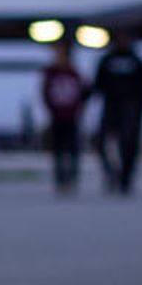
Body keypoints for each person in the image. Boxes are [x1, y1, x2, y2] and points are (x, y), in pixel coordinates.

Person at [93, 43, 142, 195]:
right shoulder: (107, 60)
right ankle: (111, 173)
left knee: (128, 143)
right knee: (101, 141)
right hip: (111, 107)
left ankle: (125, 177)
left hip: (132, 108)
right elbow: (98, 83)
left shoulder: (137, 62)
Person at [39, 44, 87, 194]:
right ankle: (60, 179)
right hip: (57, 116)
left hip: (72, 117)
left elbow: (83, 93)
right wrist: (51, 109)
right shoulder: (51, 74)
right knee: (58, 150)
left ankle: (72, 178)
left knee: (72, 149)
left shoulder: (75, 73)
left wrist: (79, 109)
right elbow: (45, 93)